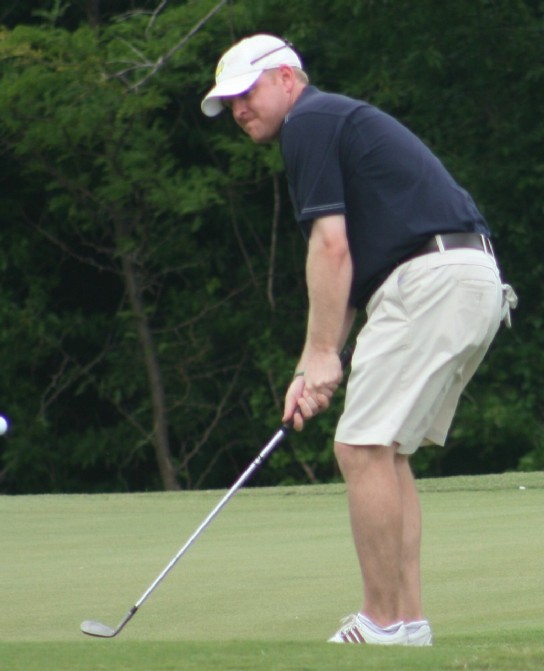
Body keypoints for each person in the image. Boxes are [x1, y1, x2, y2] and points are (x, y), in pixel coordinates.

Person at [201, 34, 516, 646]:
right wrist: (312, 366)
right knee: (385, 451)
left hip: (430, 280)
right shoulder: (330, 120)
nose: (238, 109)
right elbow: (346, 278)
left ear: (287, 78)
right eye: (229, 102)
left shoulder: (308, 120)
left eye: (246, 92)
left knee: (361, 447)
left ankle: (382, 620)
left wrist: (323, 355)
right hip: (463, 278)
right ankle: (408, 623)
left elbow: (330, 247)